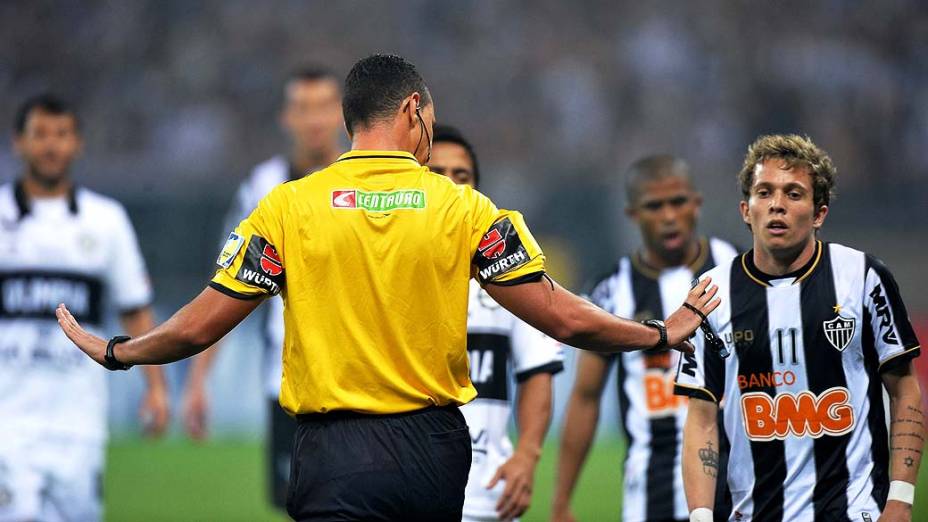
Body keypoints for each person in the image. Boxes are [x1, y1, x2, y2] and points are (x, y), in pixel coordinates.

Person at [56, 54, 718, 521]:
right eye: (429, 116)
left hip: (331, 450)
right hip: (430, 449)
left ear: (347, 121)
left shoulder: (287, 208)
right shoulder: (466, 209)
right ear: (412, 110)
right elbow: (564, 319)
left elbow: (198, 325)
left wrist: (118, 351)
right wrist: (659, 331)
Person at [674, 134, 923, 522]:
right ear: (746, 209)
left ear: (819, 212)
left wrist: (901, 499)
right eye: (764, 192)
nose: (777, 205)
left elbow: (904, 387)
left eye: (793, 193)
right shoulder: (712, 293)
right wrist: (701, 517)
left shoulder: (862, 277)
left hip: (854, 510)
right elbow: (702, 415)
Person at [180, 66, 343, 510]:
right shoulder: (261, 186)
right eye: (303, 108)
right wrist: (198, 380)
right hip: (287, 381)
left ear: (342, 116)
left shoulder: (365, 180)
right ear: (286, 117)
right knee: (300, 505)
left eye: (323, 107)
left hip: (360, 375)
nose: (313, 119)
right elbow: (228, 284)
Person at [0, 94, 169, 522]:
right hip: (8, 425)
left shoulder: (106, 220)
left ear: (77, 144)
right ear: (18, 142)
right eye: (40, 134)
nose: (51, 146)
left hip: (78, 425)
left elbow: (135, 308)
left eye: (61, 134)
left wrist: (155, 388)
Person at [552, 155, 738, 522]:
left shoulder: (734, 267)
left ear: (696, 204)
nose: (669, 215)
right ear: (633, 214)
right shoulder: (611, 292)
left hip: (739, 485)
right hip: (651, 494)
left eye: (678, 202)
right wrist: (561, 498)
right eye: (655, 206)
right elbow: (586, 397)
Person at [430, 125, 565, 522]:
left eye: (462, 176)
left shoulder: (508, 273)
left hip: (489, 495)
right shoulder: (386, 268)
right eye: (437, 174)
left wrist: (527, 454)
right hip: (406, 488)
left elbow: (537, 370)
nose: (452, 186)